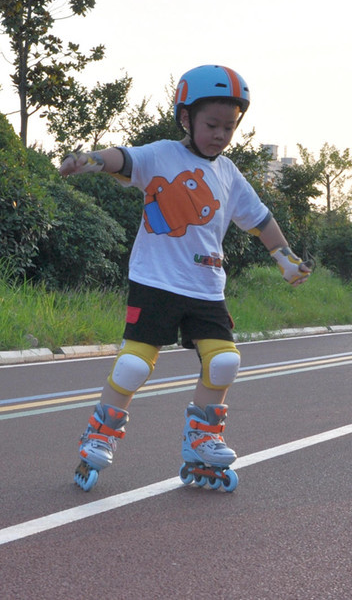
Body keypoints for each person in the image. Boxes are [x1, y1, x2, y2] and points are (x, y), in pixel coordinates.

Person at [59, 64, 311, 491]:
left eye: (229, 127)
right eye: (211, 124)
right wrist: (95, 161)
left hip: (206, 289)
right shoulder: (161, 154)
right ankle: (99, 437)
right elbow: (126, 158)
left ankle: (202, 440)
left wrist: (284, 257)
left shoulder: (229, 174)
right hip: (155, 281)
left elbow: (261, 220)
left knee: (226, 360)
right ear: (186, 118)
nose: (220, 135)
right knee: (135, 365)